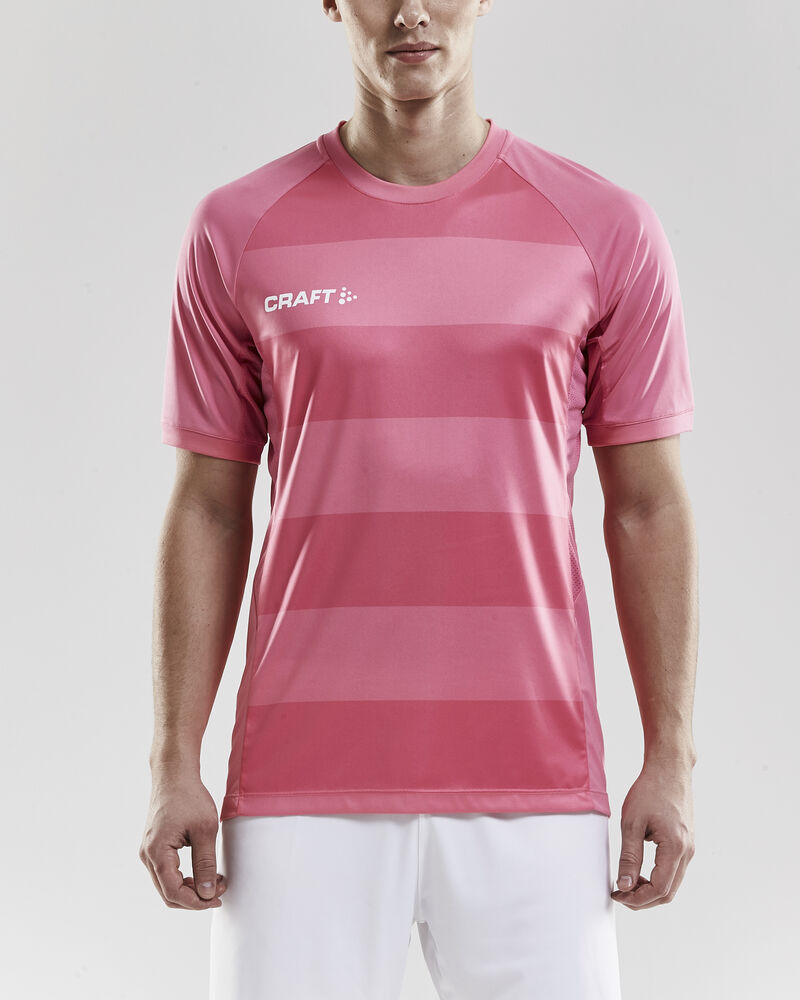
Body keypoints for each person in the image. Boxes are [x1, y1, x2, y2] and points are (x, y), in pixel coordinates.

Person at [139, 1, 698, 997]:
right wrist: (172, 760)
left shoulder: (604, 227)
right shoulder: (239, 227)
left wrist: (671, 758)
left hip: (536, 783)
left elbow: (647, 506)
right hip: (300, 789)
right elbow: (208, 508)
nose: (409, 11)